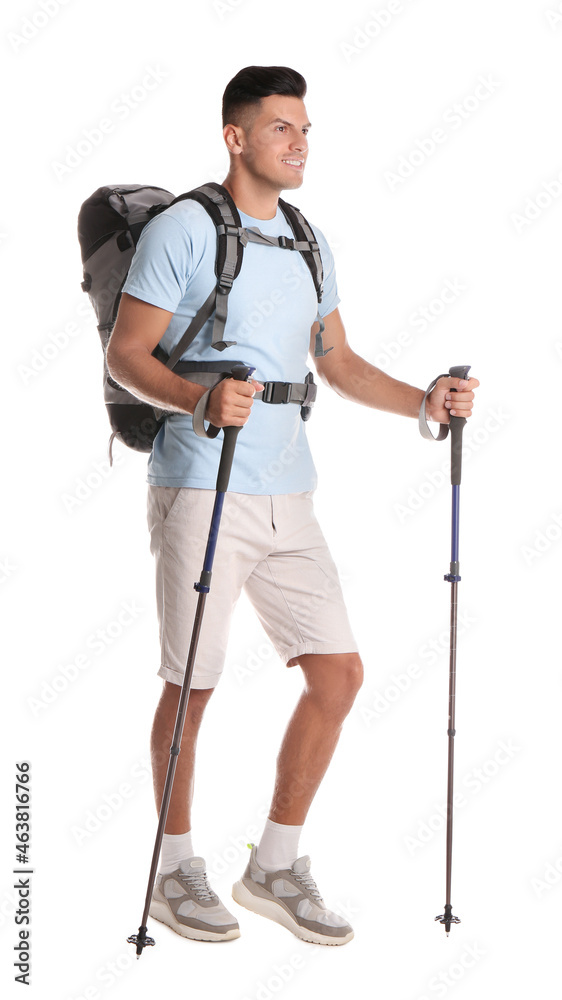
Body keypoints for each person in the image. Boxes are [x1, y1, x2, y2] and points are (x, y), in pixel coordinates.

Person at [107, 65, 479, 947]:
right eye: (281, 128)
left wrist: (425, 400)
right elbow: (128, 354)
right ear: (236, 137)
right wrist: (196, 401)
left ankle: (273, 865)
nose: (299, 141)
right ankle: (171, 869)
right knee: (192, 686)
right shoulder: (184, 229)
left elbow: (338, 363)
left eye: (305, 127)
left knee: (339, 674)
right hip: (202, 482)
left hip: (289, 490)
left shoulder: (308, 239)